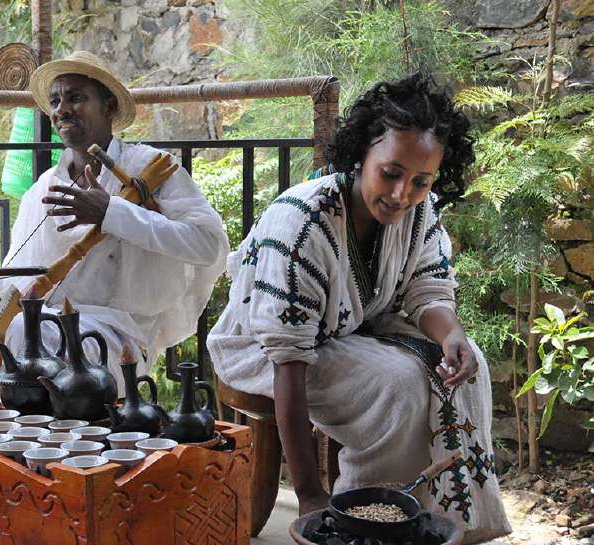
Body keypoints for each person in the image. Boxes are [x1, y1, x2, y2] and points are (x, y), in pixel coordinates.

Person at [206, 73, 510, 543]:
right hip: (261, 348)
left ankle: (440, 525)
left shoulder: (418, 214)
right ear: (361, 154)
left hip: (351, 330)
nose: (401, 194)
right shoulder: (301, 224)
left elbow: (428, 292)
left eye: (420, 181)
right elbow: (288, 362)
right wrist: (310, 496)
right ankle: (365, 525)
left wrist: (451, 335)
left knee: (470, 366)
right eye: (390, 173)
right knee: (396, 385)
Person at [0, 51, 229, 407]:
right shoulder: (43, 187)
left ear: (109, 106)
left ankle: (34, 445)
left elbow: (209, 243)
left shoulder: (149, 169)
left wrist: (111, 212)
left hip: (113, 332)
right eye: (55, 100)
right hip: (36, 322)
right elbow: (20, 272)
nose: (62, 109)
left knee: (29, 332)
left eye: (76, 97)